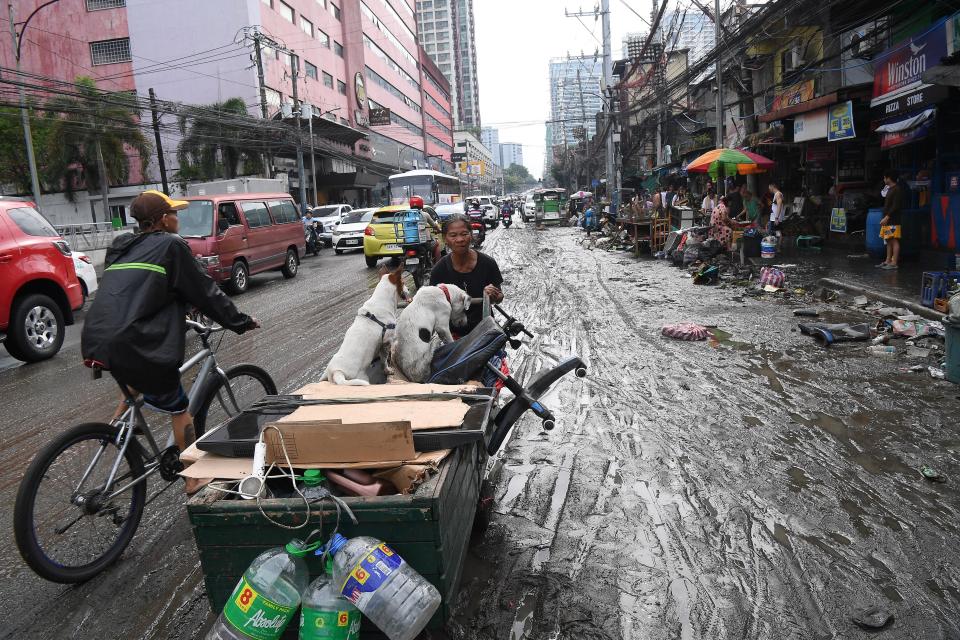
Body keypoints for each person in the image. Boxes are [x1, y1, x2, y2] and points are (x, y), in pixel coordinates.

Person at [81, 190, 259, 458]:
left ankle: (118, 425)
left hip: (97, 338)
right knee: (178, 407)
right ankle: (192, 478)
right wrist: (240, 322)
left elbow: (140, 291)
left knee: (134, 371)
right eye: (174, 213)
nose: (178, 218)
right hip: (134, 340)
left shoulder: (121, 247)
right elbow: (205, 292)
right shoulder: (171, 246)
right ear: (164, 219)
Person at [430, 213, 504, 335]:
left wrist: (493, 294)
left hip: (486, 331)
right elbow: (432, 307)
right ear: (445, 239)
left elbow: (500, 297)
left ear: (471, 235)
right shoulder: (439, 270)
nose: (459, 239)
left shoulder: (487, 263)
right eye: (453, 235)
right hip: (453, 335)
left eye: (464, 234)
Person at [878, 170, 903, 270]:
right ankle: (888, 260)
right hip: (887, 219)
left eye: (885, 177)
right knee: (888, 239)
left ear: (889, 178)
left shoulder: (897, 189)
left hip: (893, 219)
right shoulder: (890, 189)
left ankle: (894, 262)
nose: (884, 179)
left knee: (894, 240)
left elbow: (896, 206)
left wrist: (887, 216)